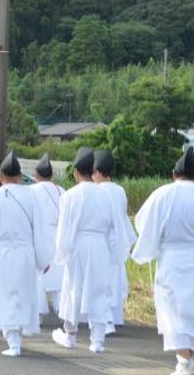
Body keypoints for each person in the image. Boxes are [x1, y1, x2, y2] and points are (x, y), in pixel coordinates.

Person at [132, 147, 194, 375]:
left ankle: (184, 364)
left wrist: (154, 241)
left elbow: (142, 221)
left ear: (174, 173)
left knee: (172, 311)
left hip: (171, 261)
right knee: (193, 312)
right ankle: (187, 361)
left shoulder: (162, 194)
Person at [0, 151, 51, 357]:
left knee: (5, 295)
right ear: (20, 177)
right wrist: (43, 257)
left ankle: (13, 341)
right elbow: (40, 229)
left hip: (3, 252)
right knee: (23, 294)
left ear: (1, 177)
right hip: (26, 252)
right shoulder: (31, 195)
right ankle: (17, 338)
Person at [51, 147, 128, 354]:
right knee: (98, 290)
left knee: (72, 289)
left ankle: (70, 334)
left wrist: (63, 253)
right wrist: (116, 252)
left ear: (76, 171)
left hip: (77, 246)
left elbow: (63, 229)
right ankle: (97, 340)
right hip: (100, 246)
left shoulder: (70, 196)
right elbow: (117, 228)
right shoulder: (106, 195)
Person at [93, 150, 137, 334]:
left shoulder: (96, 191)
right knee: (116, 278)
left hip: (102, 239)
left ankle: (106, 319)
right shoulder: (120, 190)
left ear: (97, 172)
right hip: (118, 239)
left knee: (102, 280)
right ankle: (116, 316)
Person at [30, 153, 64, 315]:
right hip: (56, 236)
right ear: (51, 175)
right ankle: (61, 309)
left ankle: (38, 311)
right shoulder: (61, 191)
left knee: (38, 277)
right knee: (57, 277)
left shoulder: (30, 191)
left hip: (38, 236)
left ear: (36, 175)